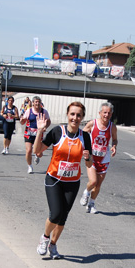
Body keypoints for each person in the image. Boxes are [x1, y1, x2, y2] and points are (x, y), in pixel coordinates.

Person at [34, 102, 93, 259]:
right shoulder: (57, 132)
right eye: (72, 114)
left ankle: (53, 245)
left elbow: (89, 163)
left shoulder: (85, 137)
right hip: (54, 179)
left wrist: (88, 157)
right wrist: (40, 131)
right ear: (68, 115)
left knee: (63, 216)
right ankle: (45, 238)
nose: (75, 118)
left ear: (82, 118)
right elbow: (37, 150)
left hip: (72, 183)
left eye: (78, 115)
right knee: (56, 214)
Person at [79, 102, 118, 214]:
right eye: (104, 112)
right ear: (100, 113)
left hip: (104, 158)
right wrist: (84, 148)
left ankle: (91, 204)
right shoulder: (92, 124)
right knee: (93, 181)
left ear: (111, 114)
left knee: (98, 184)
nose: (106, 115)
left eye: (109, 113)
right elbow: (82, 135)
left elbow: (115, 139)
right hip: (91, 157)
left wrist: (114, 146)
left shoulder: (112, 127)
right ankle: (86, 192)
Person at [20, 96, 50, 174]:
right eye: (35, 102)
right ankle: (30, 166)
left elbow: (49, 121)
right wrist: (22, 120)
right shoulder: (29, 111)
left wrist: (45, 127)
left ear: (40, 103)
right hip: (29, 133)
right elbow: (23, 122)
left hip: (39, 134)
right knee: (29, 150)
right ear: (32, 103)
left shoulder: (44, 112)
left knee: (39, 153)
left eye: (38, 102)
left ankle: (37, 156)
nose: (37, 103)